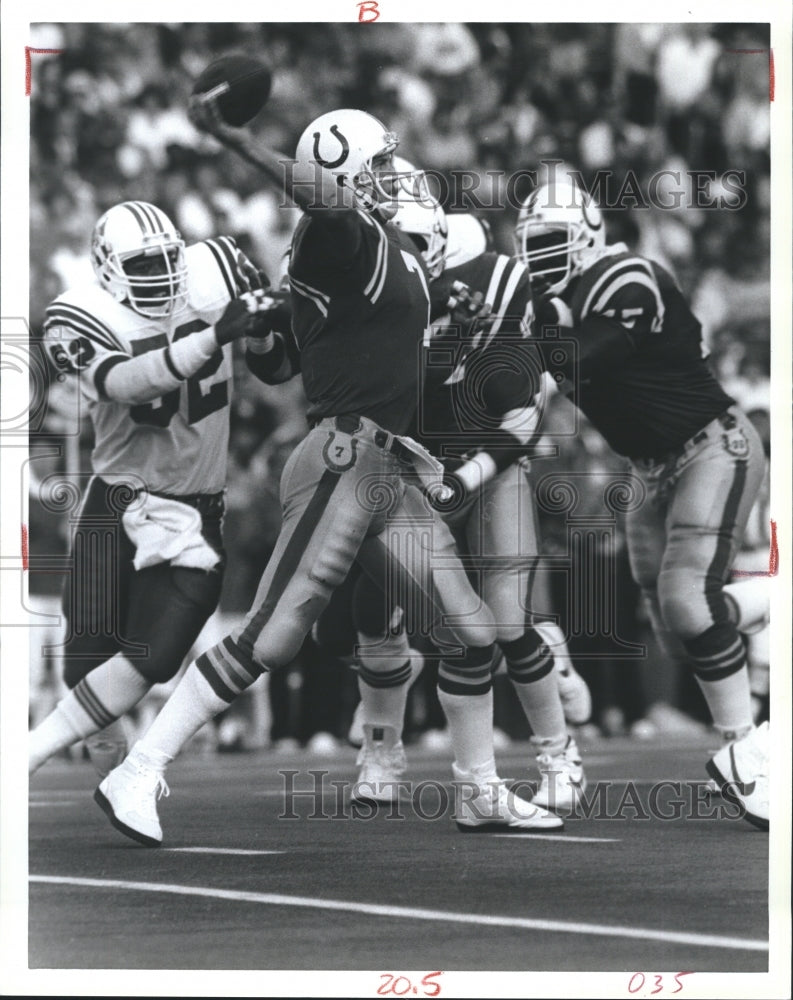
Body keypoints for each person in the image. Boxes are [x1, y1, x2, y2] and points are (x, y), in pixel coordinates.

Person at [94, 104, 562, 846]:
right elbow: (321, 209)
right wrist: (236, 136)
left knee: (469, 632)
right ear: (339, 171)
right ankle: (139, 768)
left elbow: (373, 320)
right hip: (342, 458)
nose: (386, 174)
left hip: (392, 468)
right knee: (270, 637)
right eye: (372, 164)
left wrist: (450, 308)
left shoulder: (388, 249)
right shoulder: (334, 232)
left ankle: (478, 791)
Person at [316, 166, 591, 813]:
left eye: (417, 246)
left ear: (439, 241)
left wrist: (464, 473)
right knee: (364, 611)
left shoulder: (490, 281)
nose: (407, 260)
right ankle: (382, 744)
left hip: (486, 453)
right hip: (409, 462)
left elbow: (518, 417)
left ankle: (556, 751)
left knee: (502, 618)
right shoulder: (363, 293)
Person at [515, 177, 769, 829]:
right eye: (531, 244)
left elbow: (597, 352)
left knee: (689, 600)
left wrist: (536, 350)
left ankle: (748, 750)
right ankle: (749, 738)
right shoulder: (555, 301)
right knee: (671, 626)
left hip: (710, 445)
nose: (540, 255)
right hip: (649, 468)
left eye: (551, 241)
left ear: (588, 234)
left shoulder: (626, 274)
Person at [29, 201, 270, 777]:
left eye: (168, 258)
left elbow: (275, 357)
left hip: (193, 507)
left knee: (154, 654)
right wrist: (216, 336)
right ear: (108, 269)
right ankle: (114, 768)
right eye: (144, 265)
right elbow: (125, 382)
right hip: (116, 503)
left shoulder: (217, 265)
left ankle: (94, 766)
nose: (162, 274)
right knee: (82, 663)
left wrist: (270, 327)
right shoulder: (78, 314)